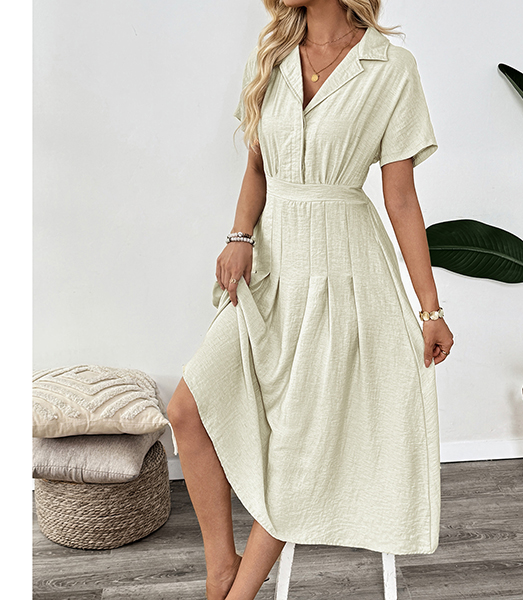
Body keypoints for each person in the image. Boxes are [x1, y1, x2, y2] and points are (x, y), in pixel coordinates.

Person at [167, 1, 454, 599]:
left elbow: (400, 196)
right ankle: (221, 566)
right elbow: (256, 167)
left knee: (299, 445)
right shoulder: (273, 55)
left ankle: (238, 593)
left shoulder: (390, 67)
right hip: (271, 269)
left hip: (343, 273)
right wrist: (239, 236)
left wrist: (430, 308)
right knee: (188, 410)